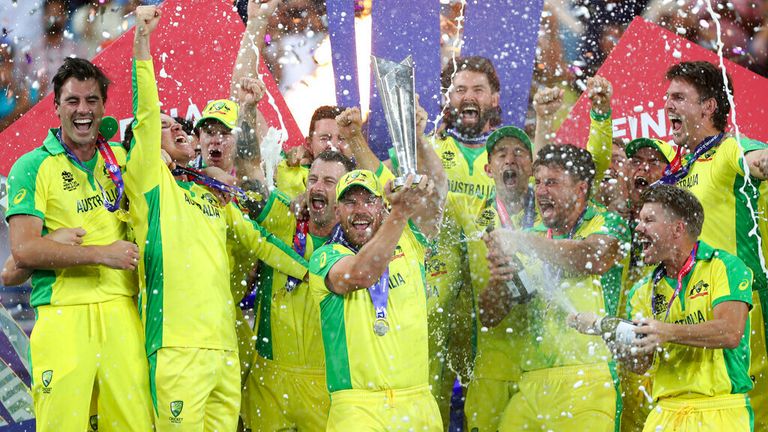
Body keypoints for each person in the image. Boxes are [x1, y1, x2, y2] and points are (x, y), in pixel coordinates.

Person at [128, 7, 309, 430]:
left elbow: (261, 241)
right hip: (178, 347)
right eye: (203, 129)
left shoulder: (221, 195)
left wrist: (317, 272)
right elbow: (147, 114)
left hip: (230, 344)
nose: (210, 137)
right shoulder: (153, 184)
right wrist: (142, 42)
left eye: (221, 130)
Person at [4, 57, 153, 431]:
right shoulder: (32, 166)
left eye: (91, 100)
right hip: (63, 315)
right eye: (72, 101)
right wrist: (103, 255)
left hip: (123, 313)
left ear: (104, 106)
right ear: (55, 107)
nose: (83, 110)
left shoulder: (120, 159)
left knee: (133, 426)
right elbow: (23, 251)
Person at [488, 144, 630, 431]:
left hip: (590, 379)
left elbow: (590, 257)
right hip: (532, 381)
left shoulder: (608, 223)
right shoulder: (533, 235)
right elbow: (490, 315)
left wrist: (522, 242)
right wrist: (500, 279)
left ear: (580, 188)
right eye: (538, 182)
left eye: (552, 182)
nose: (541, 191)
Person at [659, 60, 768, 428]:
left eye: (678, 97)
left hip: (742, 307)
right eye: (667, 97)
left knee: (752, 412)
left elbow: (757, 160)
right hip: (693, 310)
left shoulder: (726, 150)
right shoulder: (677, 171)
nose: (667, 105)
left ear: (708, 106)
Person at [308, 168, 445, 431]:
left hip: (418, 404)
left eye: (369, 200)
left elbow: (437, 203)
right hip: (358, 410)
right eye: (350, 202)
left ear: (382, 206)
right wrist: (400, 212)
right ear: (337, 212)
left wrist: (421, 187)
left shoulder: (408, 237)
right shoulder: (325, 258)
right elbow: (362, 273)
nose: (360, 210)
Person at [240, 150, 355, 431]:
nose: (317, 187)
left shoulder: (358, 238)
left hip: (328, 384)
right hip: (270, 381)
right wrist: (248, 108)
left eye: (329, 181)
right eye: (312, 179)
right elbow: (247, 168)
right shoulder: (284, 218)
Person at [623, 185, 752, 431]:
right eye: (639, 220)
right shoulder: (641, 290)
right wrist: (620, 342)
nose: (639, 228)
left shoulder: (725, 266)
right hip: (664, 414)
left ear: (677, 229)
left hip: (720, 411)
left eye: (649, 220)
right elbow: (642, 365)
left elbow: (730, 332)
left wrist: (667, 332)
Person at [458, 125, 536, 432]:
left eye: (519, 153)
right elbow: (428, 189)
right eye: (501, 154)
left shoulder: (548, 213)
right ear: (489, 168)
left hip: (541, 368)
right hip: (491, 366)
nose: (510, 160)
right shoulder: (469, 212)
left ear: (531, 165)